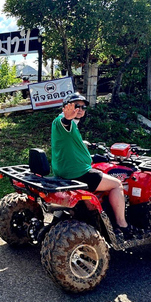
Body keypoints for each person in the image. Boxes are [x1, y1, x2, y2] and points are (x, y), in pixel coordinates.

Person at [50, 93, 133, 238]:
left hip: (63, 170)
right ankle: (122, 224)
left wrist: (88, 151)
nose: (80, 109)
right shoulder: (61, 121)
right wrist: (67, 117)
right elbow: (65, 122)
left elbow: (67, 142)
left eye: (83, 106)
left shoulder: (70, 126)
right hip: (78, 173)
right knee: (117, 184)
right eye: (76, 106)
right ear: (66, 108)